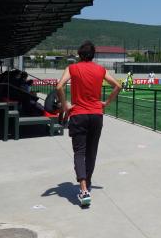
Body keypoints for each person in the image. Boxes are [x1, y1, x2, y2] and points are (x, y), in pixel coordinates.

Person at [57, 41, 121, 207]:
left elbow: (59, 86)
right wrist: (105, 103)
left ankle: (83, 189)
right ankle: (88, 181)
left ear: (79, 55)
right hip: (96, 115)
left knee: (79, 152)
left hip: (78, 115)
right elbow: (118, 85)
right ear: (93, 55)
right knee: (91, 151)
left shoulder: (72, 68)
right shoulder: (100, 69)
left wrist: (65, 106)